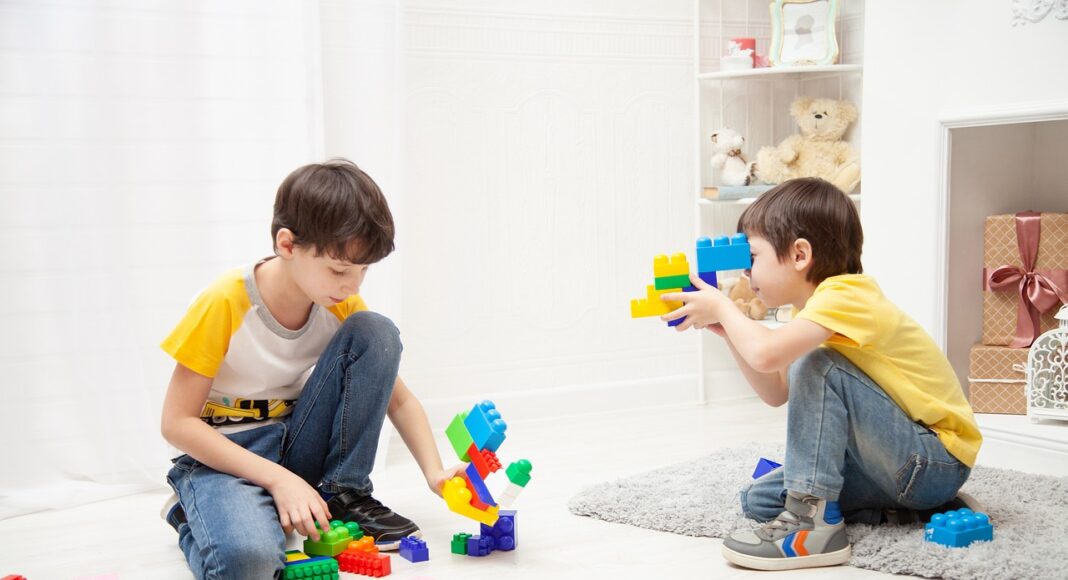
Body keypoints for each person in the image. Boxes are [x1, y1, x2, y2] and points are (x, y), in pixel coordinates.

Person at [159, 159, 462, 579]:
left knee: (375, 331)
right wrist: (278, 480)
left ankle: (343, 493)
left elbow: (401, 400)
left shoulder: (341, 305)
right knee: (250, 564)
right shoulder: (224, 301)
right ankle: (189, 513)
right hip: (223, 454)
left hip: (296, 440)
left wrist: (435, 473)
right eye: (339, 270)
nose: (352, 285)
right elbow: (176, 423)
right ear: (287, 245)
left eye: (363, 271)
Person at [661, 177, 982, 571]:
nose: (746, 273)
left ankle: (813, 528)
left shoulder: (848, 295)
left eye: (753, 257)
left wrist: (726, 309)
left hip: (934, 460)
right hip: (892, 466)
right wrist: (727, 330)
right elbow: (776, 391)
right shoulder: (813, 312)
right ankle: (904, 510)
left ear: (799, 254)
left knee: (819, 364)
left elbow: (766, 354)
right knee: (759, 499)